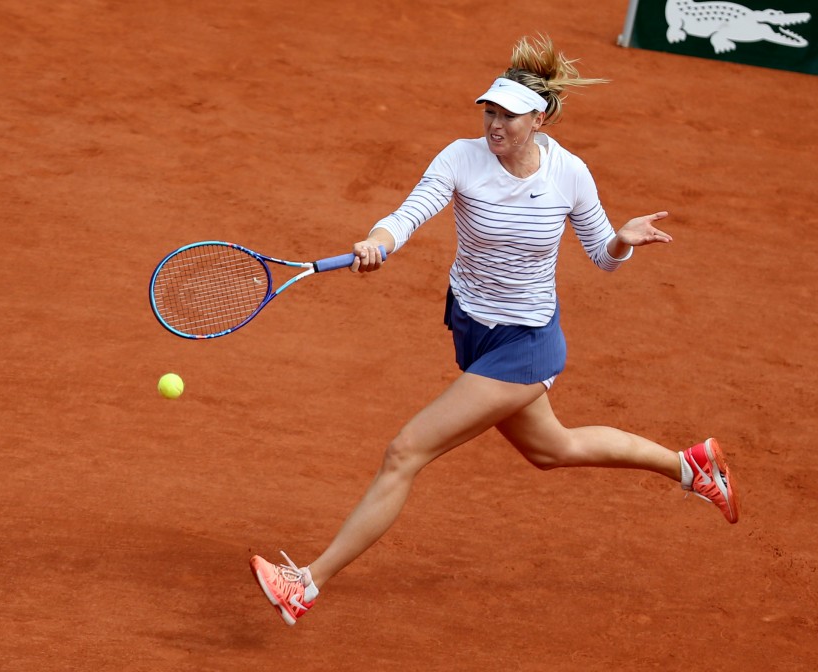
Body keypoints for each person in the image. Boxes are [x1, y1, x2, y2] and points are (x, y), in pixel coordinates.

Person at [250, 35, 739, 627]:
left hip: (525, 344)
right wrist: (378, 242)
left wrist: (620, 240)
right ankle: (690, 467)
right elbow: (411, 213)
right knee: (551, 449)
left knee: (405, 451)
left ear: (539, 117)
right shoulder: (461, 157)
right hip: (472, 326)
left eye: (508, 114)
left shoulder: (570, 175)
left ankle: (306, 583)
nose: (495, 123)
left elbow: (603, 257)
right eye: (490, 110)